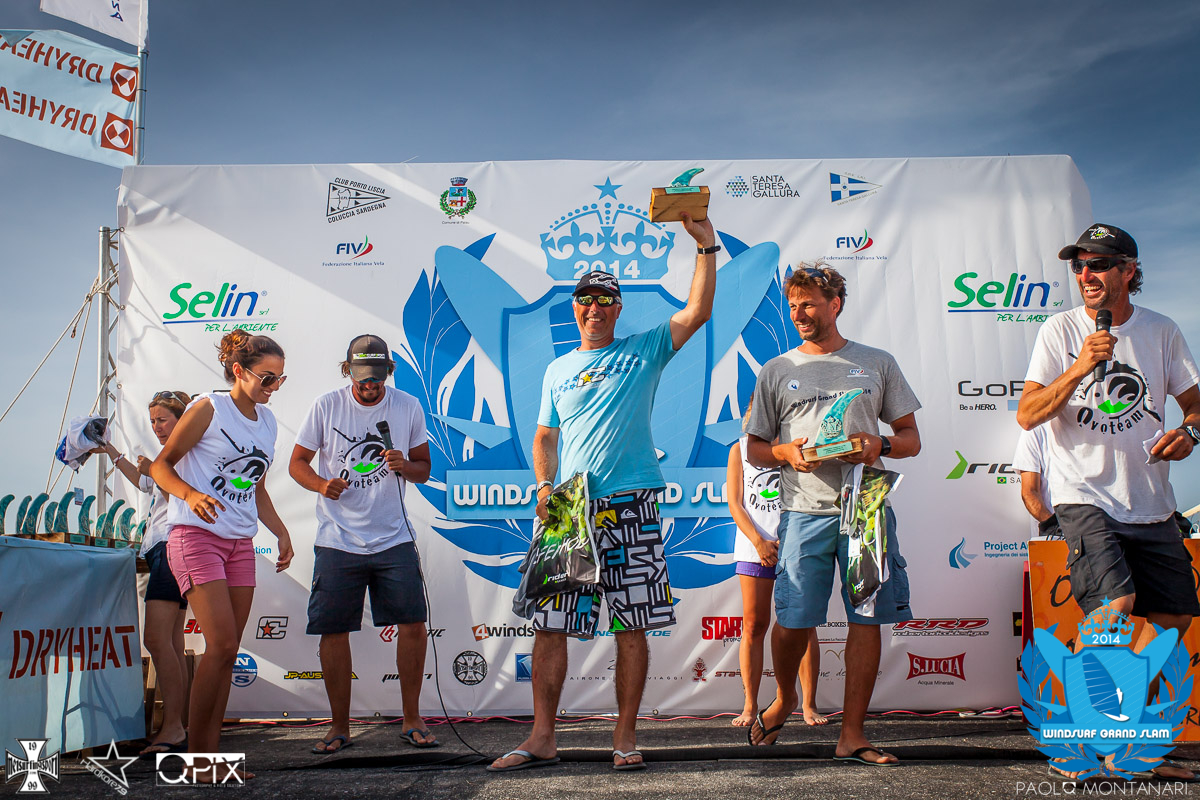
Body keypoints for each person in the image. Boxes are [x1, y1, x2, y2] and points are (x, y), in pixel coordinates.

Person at [488, 212, 718, 773]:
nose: (594, 308)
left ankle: (624, 737)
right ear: (575, 307)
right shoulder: (557, 369)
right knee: (550, 627)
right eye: (585, 300)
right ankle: (542, 737)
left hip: (631, 503)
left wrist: (706, 246)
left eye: (604, 301)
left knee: (631, 624)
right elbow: (545, 436)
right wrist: (544, 484)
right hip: (568, 510)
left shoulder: (644, 350)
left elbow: (697, 312)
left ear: (618, 309)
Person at [1016, 223, 1200, 781]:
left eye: (1097, 264)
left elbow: (1195, 404)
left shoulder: (1162, 330)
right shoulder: (1060, 330)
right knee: (1114, 607)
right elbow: (1027, 415)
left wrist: (1191, 432)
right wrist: (1079, 365)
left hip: (1151, 500)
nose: (1085, 275)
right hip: (1084, 496)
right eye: (1078, 265)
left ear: (1129, 270)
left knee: (1173, 618)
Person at [744, 263, 921, 765]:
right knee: (792, 620)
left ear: (835, 304)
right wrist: (785, 453)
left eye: (809, 304)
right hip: (803, 509)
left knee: (867, 618)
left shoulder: (877, 362)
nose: (799, 313)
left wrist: (879, 443)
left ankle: (852, 734)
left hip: (866, 509)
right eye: (793, 305)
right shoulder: (777, 369)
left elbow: (910, 439)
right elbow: (755, 448)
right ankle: (785, 699)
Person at [150, 329, 294, 781]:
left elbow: (256, 487)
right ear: (239, 371)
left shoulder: (268, 422)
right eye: (266, 378)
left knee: (226, 653)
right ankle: (199, 761)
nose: (273, 387)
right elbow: (160, 466)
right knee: (223, 645)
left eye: (280, 379)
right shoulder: (208, 407)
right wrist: (190, 495)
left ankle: (210, 759)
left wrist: (281, 531)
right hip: (196, 537)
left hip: (240, 544)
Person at [289, 334, 435, 753]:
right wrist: (321, 484)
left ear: (389, 371)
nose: (370, 384)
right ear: (347, 371)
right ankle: (339, 726)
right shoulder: (326, 405)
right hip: (338, 539)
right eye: (362, 376)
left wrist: (405, 465)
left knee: (413, 626)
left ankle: (411, 718)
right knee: (334, 631)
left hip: (394, 537)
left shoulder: (407, 405)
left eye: (377, 376)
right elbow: (297, 463)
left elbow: (424, 468)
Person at [98, 390, 194, 754]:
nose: (156, 427)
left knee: (156, 639)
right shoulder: (168, 457)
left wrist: (154, 469)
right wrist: (110, 450)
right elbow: (143, 482)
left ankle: (174, 728)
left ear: (181, 420)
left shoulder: (187, 454)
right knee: (172, 642)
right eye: (152, 421)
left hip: (172, 547)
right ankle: (178, 724)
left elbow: (180, 497)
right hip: (162, 549)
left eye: (163, 420)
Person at [727, 395, 826, 728]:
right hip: (754, 547)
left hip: (796, 544)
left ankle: (808, 705)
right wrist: (759, 542)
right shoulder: (740, 449)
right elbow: (735, 503)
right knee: (754, 626)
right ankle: (749, 706)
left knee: (803, 624)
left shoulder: (799, 445)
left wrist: (792, 540)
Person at [1012, 425, 1060, 539]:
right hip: (1054, 536)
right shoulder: (1035, 429)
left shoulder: (1096, 427)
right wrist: (1055, 528)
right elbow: (1029, 492)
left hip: (1096, 529)